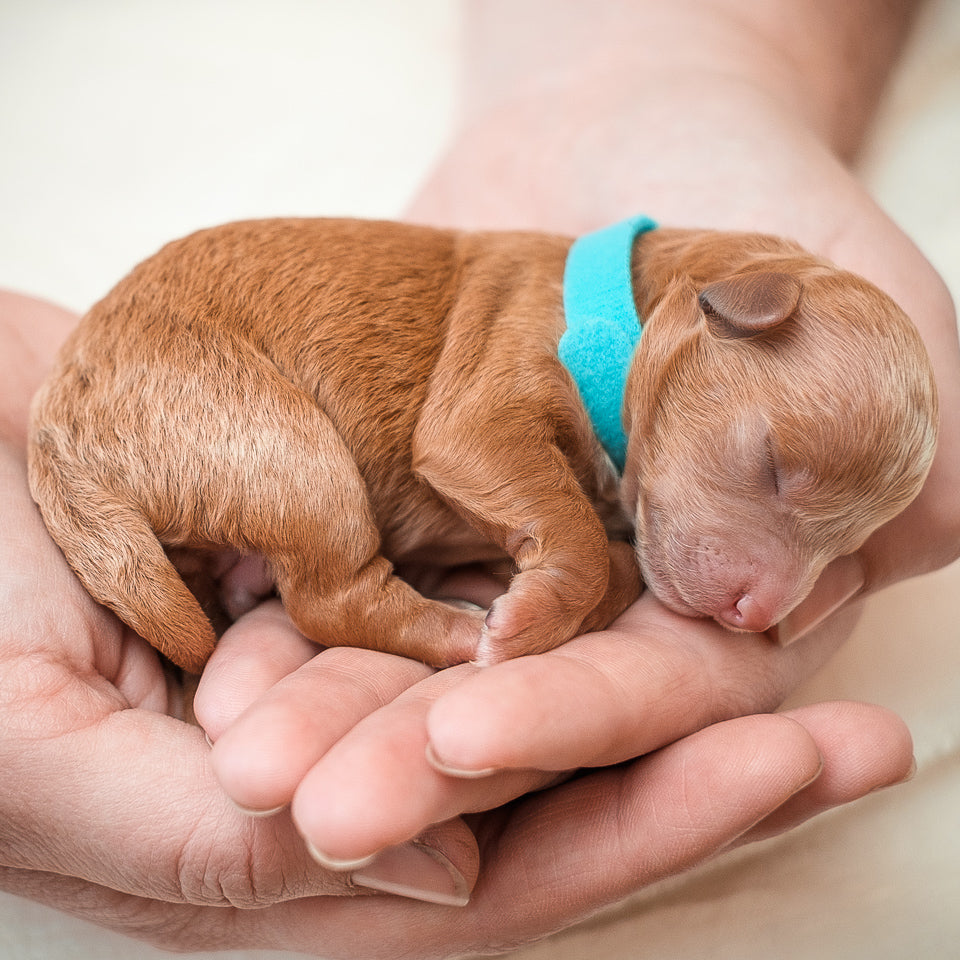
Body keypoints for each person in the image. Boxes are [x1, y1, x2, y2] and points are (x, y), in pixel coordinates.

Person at [0, 1, 956, 956]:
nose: (773, 596)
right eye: (777, 475)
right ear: (721, 313)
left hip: (233, 455)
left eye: (836, 542)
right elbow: (463, 443)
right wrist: (571, 563)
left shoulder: (636, 400)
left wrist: (690, 65)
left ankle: (250, 573)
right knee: (350, 504)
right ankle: (353, 596)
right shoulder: (543, 320)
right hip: (184, 370)